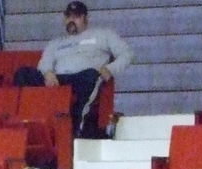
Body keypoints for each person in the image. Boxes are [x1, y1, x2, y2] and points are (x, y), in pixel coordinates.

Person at [38, 1, 132, 139]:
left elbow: (127, 54)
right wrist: (47, 73)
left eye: (76, 17)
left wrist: (110, 69)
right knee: (23, 74)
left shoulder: (103, 35)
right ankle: (28, 128)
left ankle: (77, 129)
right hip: (58, 80)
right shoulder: (55, 43)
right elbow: (44, 62)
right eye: (68, 17)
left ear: (86, 18)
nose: (71, 20)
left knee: (91, 75)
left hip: (83, 77)